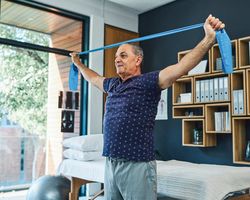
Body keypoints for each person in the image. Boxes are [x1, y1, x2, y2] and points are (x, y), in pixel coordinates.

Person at [70, 14, 225, 200]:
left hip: (137, 164)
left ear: (138, 60)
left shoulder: (149, 81)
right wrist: (79, 64)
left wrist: (209, 39)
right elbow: (93, 77)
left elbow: (182, 67)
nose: (117, 59)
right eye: (116, 56)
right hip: (111, 162)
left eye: (123, 55)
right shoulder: (113, 85)